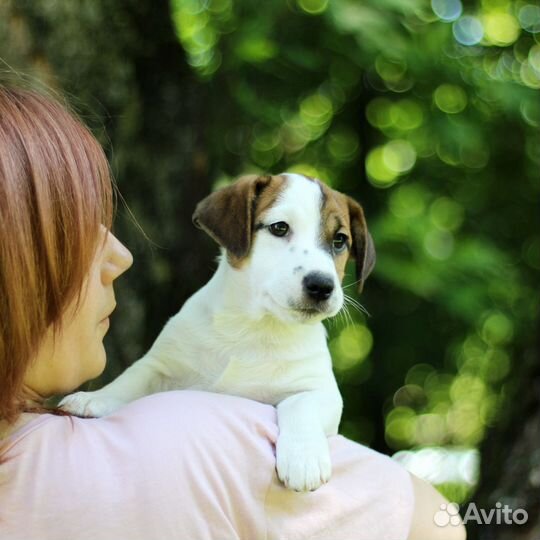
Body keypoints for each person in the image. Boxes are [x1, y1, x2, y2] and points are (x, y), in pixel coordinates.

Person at [0, 85, 466, 540]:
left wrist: (300, 430)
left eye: (337, 243)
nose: (319, 270)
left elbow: (319, 399)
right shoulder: (196, 338)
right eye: (280, 229)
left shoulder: (297, 362)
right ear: (234, 234)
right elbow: (158, 370)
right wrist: (109, 400)